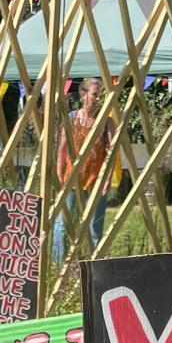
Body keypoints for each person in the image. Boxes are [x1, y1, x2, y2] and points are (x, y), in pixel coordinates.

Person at [53, 77, 113, 265]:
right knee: (63, 225)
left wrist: (108, 179)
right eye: (94, 95)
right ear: (83, 94)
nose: (97, 99)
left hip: (95, 180)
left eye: (100, 95)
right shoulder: (71, 118)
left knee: (94, 229)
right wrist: (59, 177)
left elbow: (111, 153)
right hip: (71, 180)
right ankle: (58, 266)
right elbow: (62, 150)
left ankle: (94, 267)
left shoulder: (106, 121)